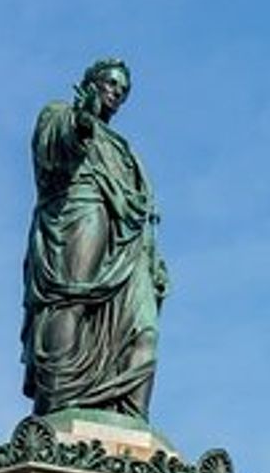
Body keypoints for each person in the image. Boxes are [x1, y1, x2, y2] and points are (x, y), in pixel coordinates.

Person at [21, 58, 169, 420]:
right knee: (72, 300)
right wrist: (81, 124)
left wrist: (152, 258)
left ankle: (133, 421)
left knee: (145, 331)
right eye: (111, 83)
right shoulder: (57, 113)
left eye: (123, 89)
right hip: (80, 215)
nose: (116, 92)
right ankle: (58, 402)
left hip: (131, 246)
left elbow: (141, 210)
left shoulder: (124, 148)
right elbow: (53, 150)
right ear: (90, 82)